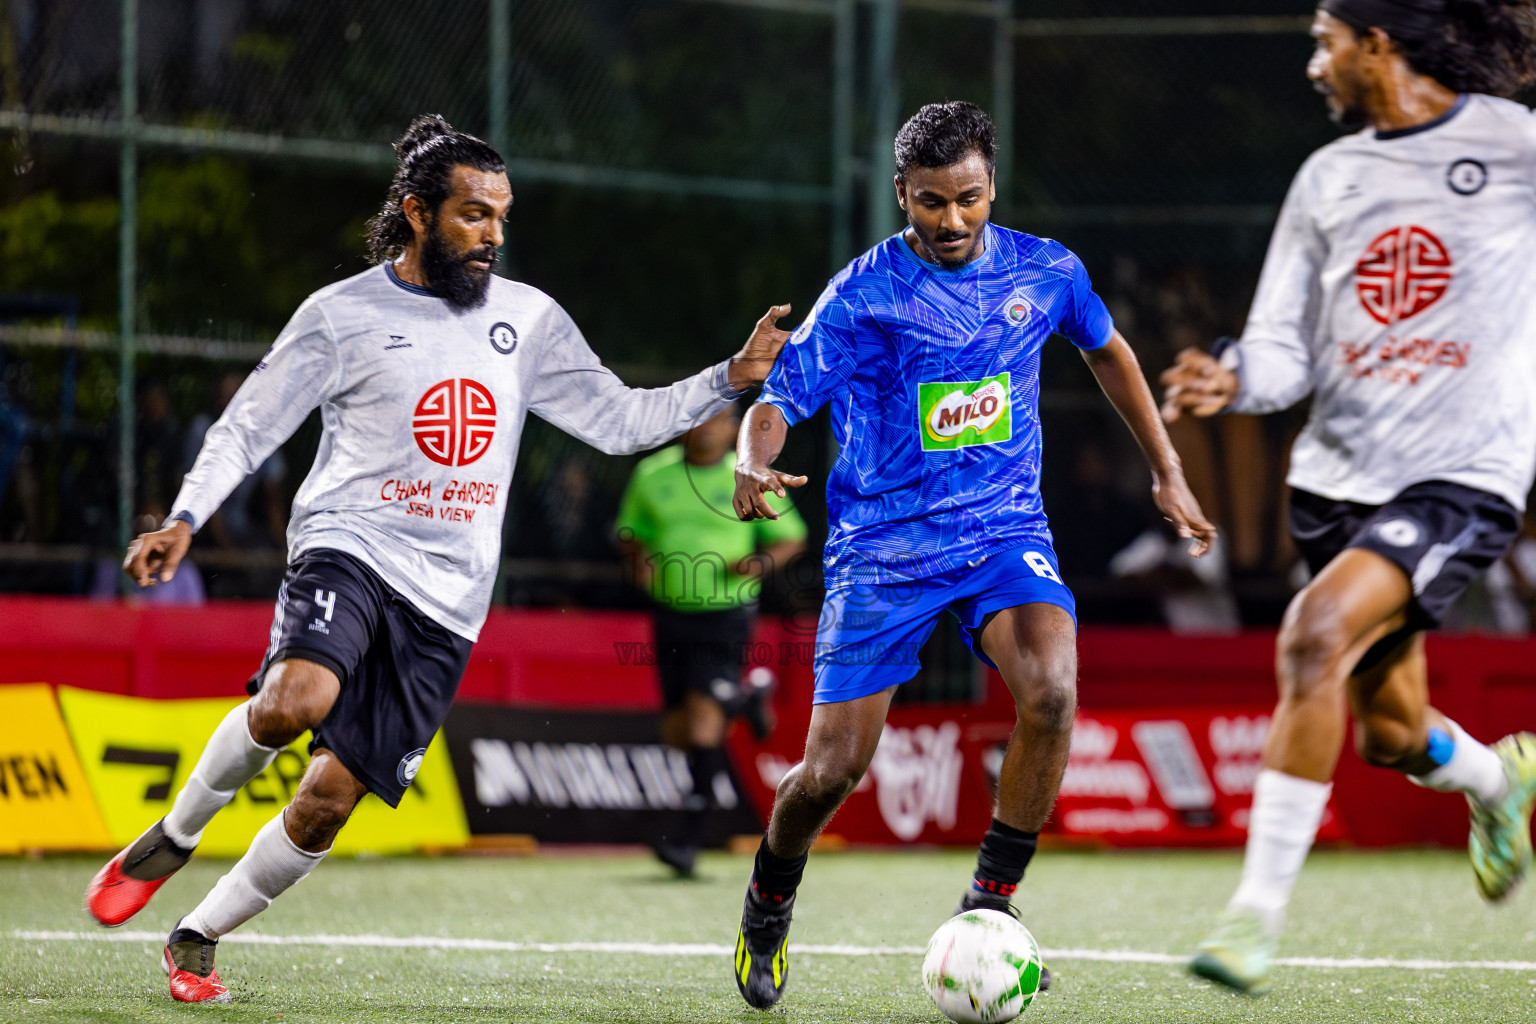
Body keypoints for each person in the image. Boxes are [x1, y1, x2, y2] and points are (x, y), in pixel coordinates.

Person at [83, 114, 793, 1004]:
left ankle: (199, 933)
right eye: (471, 215)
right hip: (350, 545)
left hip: (450, 601)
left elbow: (621, 421)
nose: (493, 234)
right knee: (296, 698)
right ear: (417, 214)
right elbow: (251, 425)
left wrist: (730, 374)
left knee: (328, 798)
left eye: (501, 216)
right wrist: (186, 516)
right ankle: (176, 836)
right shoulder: (341, 315)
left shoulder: (529, 321)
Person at [728, 101, 1215, 1009]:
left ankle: (989, 903)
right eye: (930, 203)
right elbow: (779, 398)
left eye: (969, 198)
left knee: (1055, 694)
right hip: (884, 551)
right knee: (829, 775)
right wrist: (756, 459)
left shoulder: (1046, 270)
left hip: (1002, 535)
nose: (951, 221)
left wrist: (1168, 472)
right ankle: (769, 896)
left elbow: (1110, 352)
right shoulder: (865, 292)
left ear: (993, 185)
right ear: (902, 195)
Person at [1160, 0, 1536, 995]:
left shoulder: (1515, 147)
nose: (1313, 63)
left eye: (1325, 42)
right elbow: (1285, 342)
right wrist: (1237, 377)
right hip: (1333, 484)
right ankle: (1499, 780)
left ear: (1378, 44)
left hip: (1464, 476)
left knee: (1313, 634)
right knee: (1389, 733)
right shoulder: (1328, 178)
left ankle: (1251, 922)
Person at [616, 403, 807, 876]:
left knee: (702, 722)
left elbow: (792, 537)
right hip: (670, 610)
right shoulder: (651, 473)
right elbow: (630, 532)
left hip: (726, 611)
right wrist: (636, 559)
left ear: (732, 430)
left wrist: (757, 566)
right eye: (698, 419)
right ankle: (745, 698)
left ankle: (686, 842)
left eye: (718, 420)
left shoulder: (747, 476)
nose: (706, 428)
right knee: (678, 732)